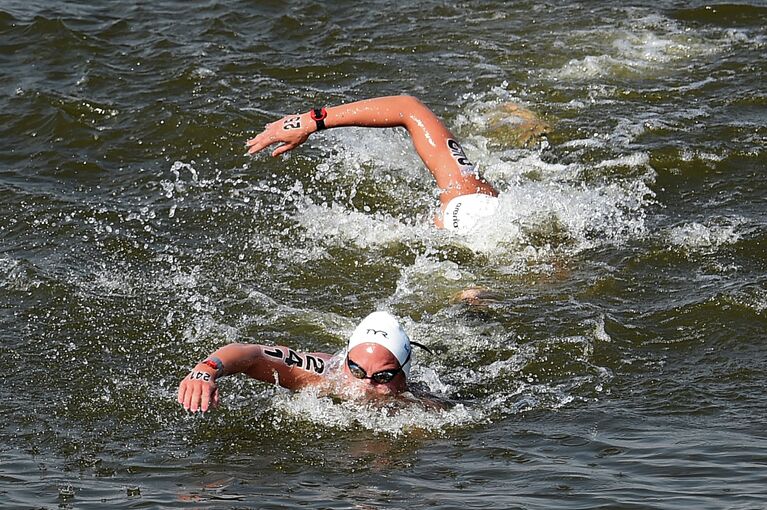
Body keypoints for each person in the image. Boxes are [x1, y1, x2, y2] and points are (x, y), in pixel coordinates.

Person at [246, 95, 500, 234]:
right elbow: (408, 108)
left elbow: (407, 107)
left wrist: (312, 120)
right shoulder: (467, 193)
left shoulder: (465, 194)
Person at [178, 311, 430, 412]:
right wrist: (206, 370)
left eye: (383, 377)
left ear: (404, 374)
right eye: (356, 370)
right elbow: (252, 353)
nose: (365, 385)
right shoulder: (324, 373)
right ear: (345, 362)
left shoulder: (426, 405)